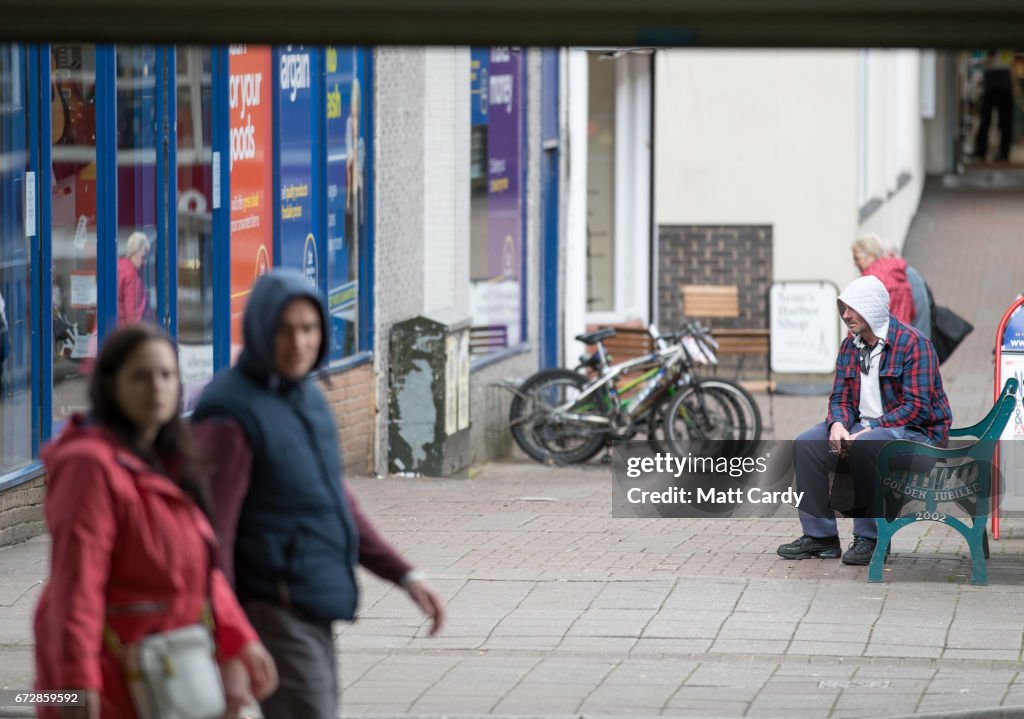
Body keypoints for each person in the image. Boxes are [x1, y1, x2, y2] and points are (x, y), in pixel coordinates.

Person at [192, 269, 446, 718]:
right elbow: (214, 539)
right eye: (284, 329)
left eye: (309, 328)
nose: (299, 343)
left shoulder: (306, 396)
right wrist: (227, 642)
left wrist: (405, 575)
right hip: (271, 606)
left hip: (311, 602)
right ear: (259, 330)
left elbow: (334, 499)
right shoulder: (230, 414)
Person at [33, 325, 278, 719]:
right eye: (140, 376)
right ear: (111, 385)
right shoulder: (90, 465)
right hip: (114, 675)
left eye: (166, 375)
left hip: (168, 671)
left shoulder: (169, 459)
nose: (157, 387)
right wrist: (76, 682)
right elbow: (77, 584)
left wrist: (239, 638)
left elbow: (201, 569)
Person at [777, 275, 952, 566]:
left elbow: (917, 408)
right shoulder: (850, 346)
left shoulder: (913, 344)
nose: (845, 315)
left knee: (866, 445)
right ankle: (820, 537)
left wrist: (869, 429)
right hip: (867, 430)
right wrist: (838, 425)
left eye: (852, 309)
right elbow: (840, 399)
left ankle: (870, 539)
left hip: (916, 434)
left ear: (871, 309)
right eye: (843, 308)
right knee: (806, 443)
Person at [851, 233, 916, 326]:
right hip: (903, 335)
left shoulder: (868, 280)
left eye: (856, 258)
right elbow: (912, 311)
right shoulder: (901, 273)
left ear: (871, 255)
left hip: (880, 338)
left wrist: (850, 339)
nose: (855, 263)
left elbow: (859, 319)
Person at [972, 51, 1014, 162]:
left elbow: (990, 58)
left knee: (986, 120)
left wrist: (980, 62)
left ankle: (982, 151)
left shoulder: (993, 40)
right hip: (1004, 80)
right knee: (1004, 122)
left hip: (994, 79)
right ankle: (1003, 153)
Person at [117, 231, 150, 327]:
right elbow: (132, 315)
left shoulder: (119, 266)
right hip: (126, 333)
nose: (145, 263)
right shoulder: (132, 275)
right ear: (134, 252)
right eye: (143, 257)